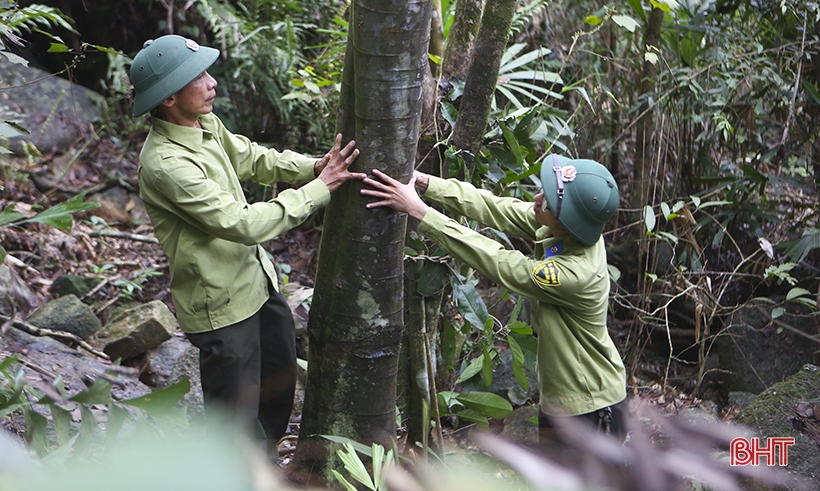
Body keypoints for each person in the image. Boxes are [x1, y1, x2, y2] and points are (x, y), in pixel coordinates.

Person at [131, 34, 366, 463]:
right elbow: (240, 223)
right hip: (219, 305)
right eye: (197, 77)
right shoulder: (166, 163)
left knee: (279, 387)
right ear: (167, 99)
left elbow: (252, 156)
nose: (211, 83)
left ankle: (263, 467)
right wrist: (320, 188)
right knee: (232, 423)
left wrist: (313, 166)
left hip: (257, 284)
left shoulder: (204, 125)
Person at [360, 155, 628, 443]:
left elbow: (498, 260)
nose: (537, 200)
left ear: (569, 221)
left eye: (548, 201)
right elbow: (495, 208)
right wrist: (427, 184)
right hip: (561, 400)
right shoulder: (568, 228)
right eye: (544, 191)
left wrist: (421, 213)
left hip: (589, 406)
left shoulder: (574, 274)